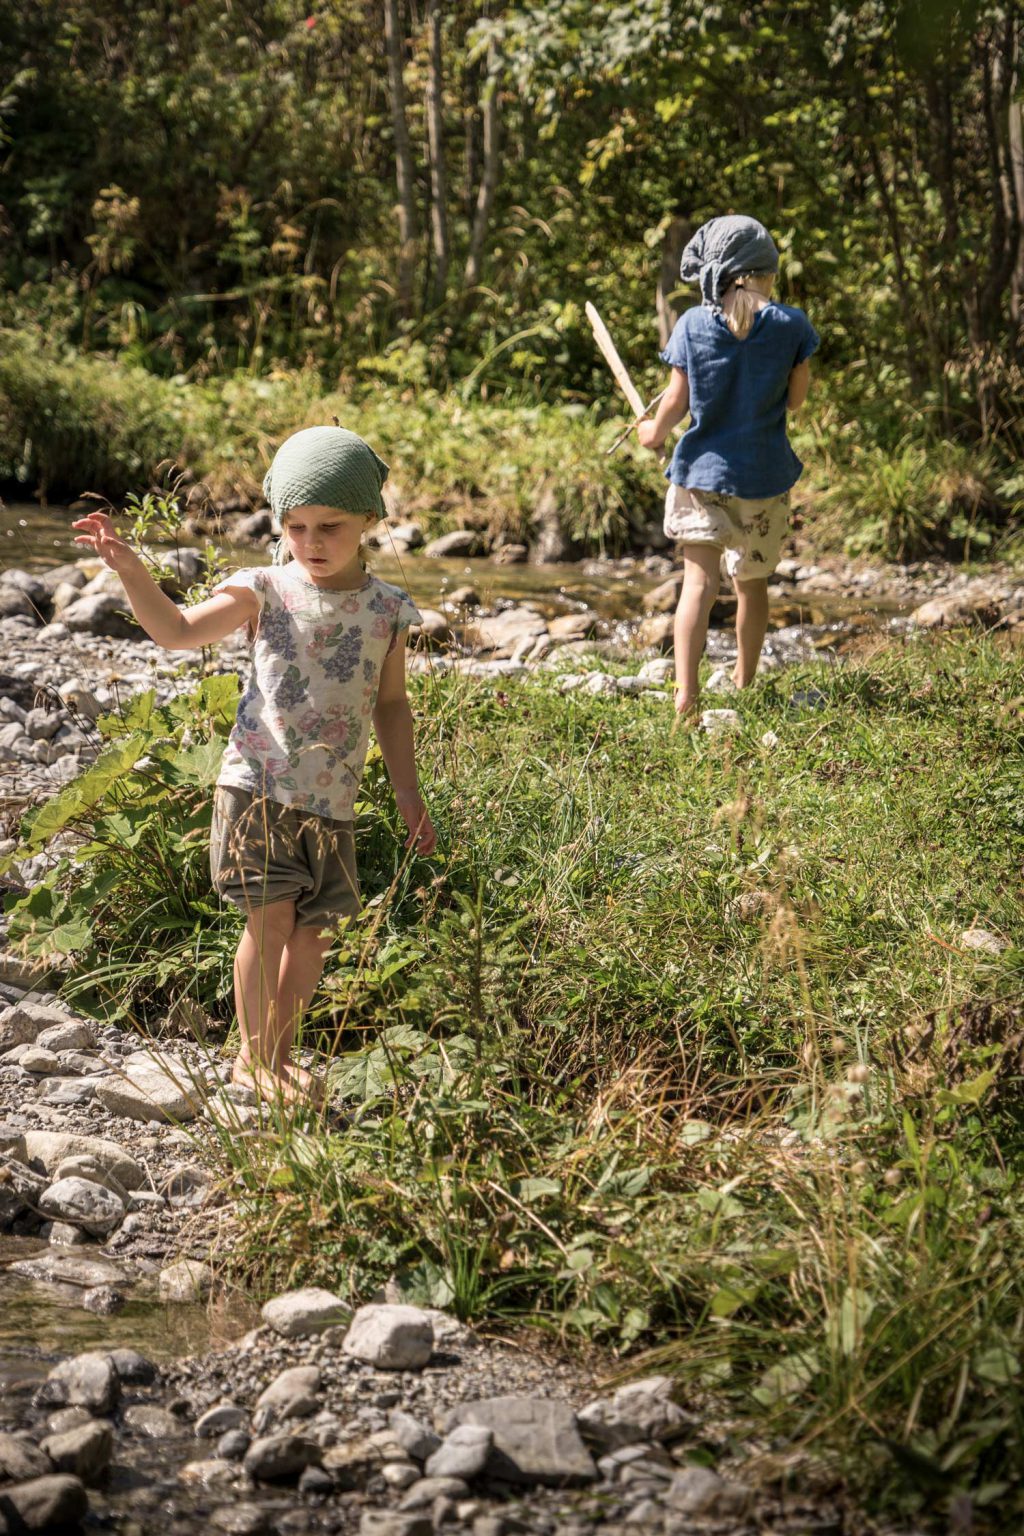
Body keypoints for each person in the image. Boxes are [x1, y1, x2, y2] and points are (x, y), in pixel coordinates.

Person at [72, 425, 436, 1105]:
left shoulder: (387, 609)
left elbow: (391, 706)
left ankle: (278, 1053)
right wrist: (129, 570)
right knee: (267, 924)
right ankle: (251, 1062)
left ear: (369, 519)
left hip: (334, 802)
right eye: (295, 526)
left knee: (317, 934)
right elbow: (178, 632)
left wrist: (409, 793)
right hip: (258, 787)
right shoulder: (263, 588)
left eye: (329, 525)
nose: (312, 542)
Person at [637, 215, 819, 717]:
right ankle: (743, 680)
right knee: (751, 584)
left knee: (698, 585)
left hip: (702, 475)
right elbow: (796, 402)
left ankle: (686, 696)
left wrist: (651, 432)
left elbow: (676, 402)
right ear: (765, 272)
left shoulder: (693, 324)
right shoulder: (793, 326)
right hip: (763, 480)